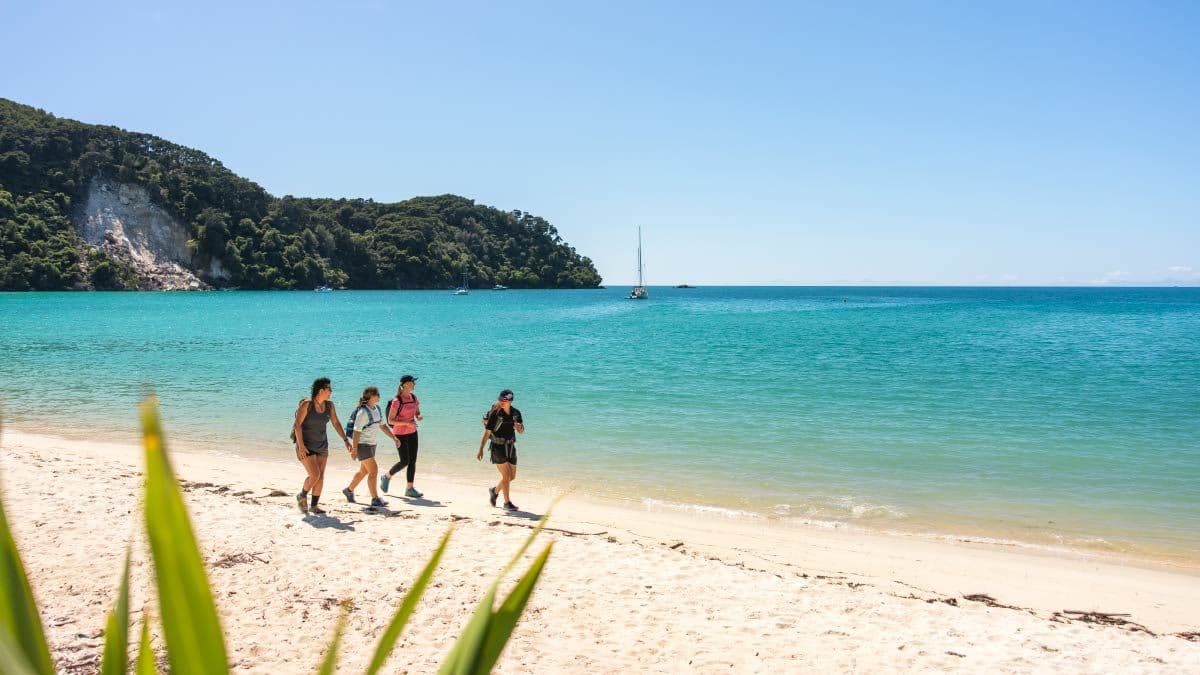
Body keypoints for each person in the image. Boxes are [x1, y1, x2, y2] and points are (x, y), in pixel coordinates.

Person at [294, 377, 353, 514]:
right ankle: (302, 495)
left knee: (321, 477)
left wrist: (345, 440)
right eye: (329, 389)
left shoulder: (329, 406)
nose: (331, 392)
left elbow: (336, 423)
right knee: (314, 475)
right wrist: (301, 446)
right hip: (305, 445)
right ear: (321, 390)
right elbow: (297, 425)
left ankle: (314, 505)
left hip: (322, 445)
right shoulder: (307, 405)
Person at [341, 386, 396, 508]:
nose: (379, 396)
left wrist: (394, 438)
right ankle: (375, 499)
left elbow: (383, 426)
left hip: (372, 445)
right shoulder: (363, 412)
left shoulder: (377, 409)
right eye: (377, 394)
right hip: (362, 445)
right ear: (371, 396)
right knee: (373, 470)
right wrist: (354, 449)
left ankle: (348, 490)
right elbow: (356, 432)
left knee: (363, 471)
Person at [476, 389, 524, 511]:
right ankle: (507, 503)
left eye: (504, 400)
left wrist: (519, 428)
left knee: (511, 477)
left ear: (510, 401)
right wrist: (481, 449)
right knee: (506, 476)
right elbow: (487, 433)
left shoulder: (516, 413)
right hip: (498, 447)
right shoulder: (495, 414)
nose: (501, 402)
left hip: (511, 447)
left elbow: (522, 431)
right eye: (500, 399)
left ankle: (494, 491)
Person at [381, 375, 424, 498]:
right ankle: (387, 476)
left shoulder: (414, 398)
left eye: (414, 382)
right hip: (400, 434)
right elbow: (391, 420)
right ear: (405, 384)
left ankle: (409, 488)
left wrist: (419, 416)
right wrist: (406, 423)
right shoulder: (397, 401)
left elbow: (417, 411)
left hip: (413, 432)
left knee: (413, 461)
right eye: (412, 382)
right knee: (404, 461)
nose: (414, 384)